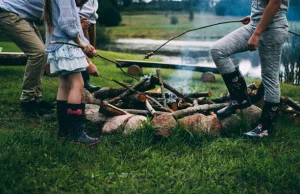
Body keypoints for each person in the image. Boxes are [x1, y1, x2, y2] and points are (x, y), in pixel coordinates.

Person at [210, 0, 290, 138]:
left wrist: (257, 33)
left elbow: (275, 2)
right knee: (218, 50)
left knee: (269, 77)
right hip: (255, 24)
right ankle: (239, 99)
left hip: (272, 29)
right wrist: (254, 16)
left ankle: (265, 128)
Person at [43, 0, 100, 145]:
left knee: (65, 86)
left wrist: (86, 44)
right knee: (78, 84)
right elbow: (67, 23)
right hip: (66, 46)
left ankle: (64, 131)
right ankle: (76, 134)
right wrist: (81, 44)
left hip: (57, 45)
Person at [0, 0, 55, 113]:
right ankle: (28, 100)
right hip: (9, 12)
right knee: (38, 53)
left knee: (42, 53)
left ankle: (36, 97)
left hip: (22, 15)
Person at [79, 0, 101, 93]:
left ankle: (85, 82)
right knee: (83, 50)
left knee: (89, 51)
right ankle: (82, 83)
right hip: (81, 18)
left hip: (91, 19)